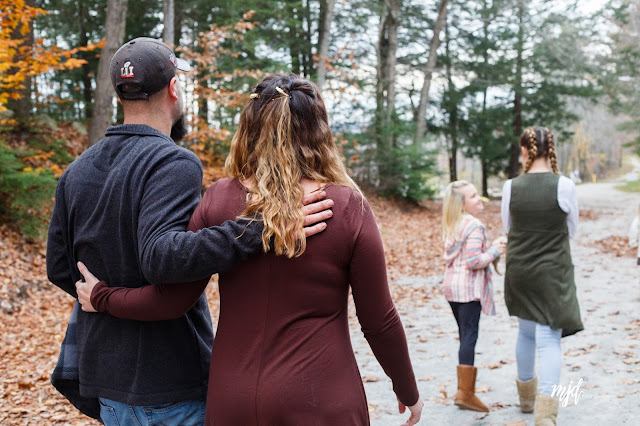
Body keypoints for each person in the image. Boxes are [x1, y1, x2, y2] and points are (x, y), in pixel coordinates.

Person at [74, 73, 424, 426]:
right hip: (321, 400)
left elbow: (171, 300)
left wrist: (103, 296)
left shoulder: (220, 199)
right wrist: (407, 389)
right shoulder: (345, 207)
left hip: (232, 401)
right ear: (320, 131)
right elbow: (379, 321)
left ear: (249, 127)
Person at [46, 39, 332, 424]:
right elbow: (163, 257)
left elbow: (60, 268)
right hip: (171, 385)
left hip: (108, 388)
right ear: (174, 89)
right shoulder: (174, 162)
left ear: (120, 94)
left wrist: (106, 296)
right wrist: (263, 227)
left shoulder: (77, 170)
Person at [501, 126, 583, 426]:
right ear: (552, 150)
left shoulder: (511, 187)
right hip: (551, 273)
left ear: (525, 151)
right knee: (549, 341)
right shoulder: (564, 185)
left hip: (520, 271)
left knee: (525, 332)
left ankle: (525, 399)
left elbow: (509, 229)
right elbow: (572, 229)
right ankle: (545, 416)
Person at [441, 180, 505, 413]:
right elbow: (474, 261)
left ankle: (464, 391)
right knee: (469, 337)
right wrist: (497, 249)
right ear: (461, 205)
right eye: (473, 196)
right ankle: (465, 394)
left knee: (464, 335)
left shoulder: (454, 224)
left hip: (452, 289)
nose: (479, 199)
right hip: (468, 290)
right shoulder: (475, 226)